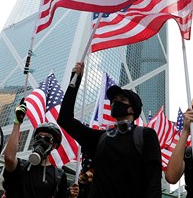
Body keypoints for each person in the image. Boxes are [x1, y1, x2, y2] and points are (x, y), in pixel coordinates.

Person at [57, 62, 162, 198]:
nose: (115, 102)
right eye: (113, 100)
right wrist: (75, 80)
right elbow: (64, 119)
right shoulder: (100, 138)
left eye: (122, 99)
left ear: (133, 109)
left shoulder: (145, 135)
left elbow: (153, 179)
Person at [3, 114, 72, 198]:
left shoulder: (58, 176)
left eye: (47, 139)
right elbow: (9, 158)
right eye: (38, 137)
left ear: (54, 145)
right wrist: (17, 123)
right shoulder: (21, 166)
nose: (41, 141)